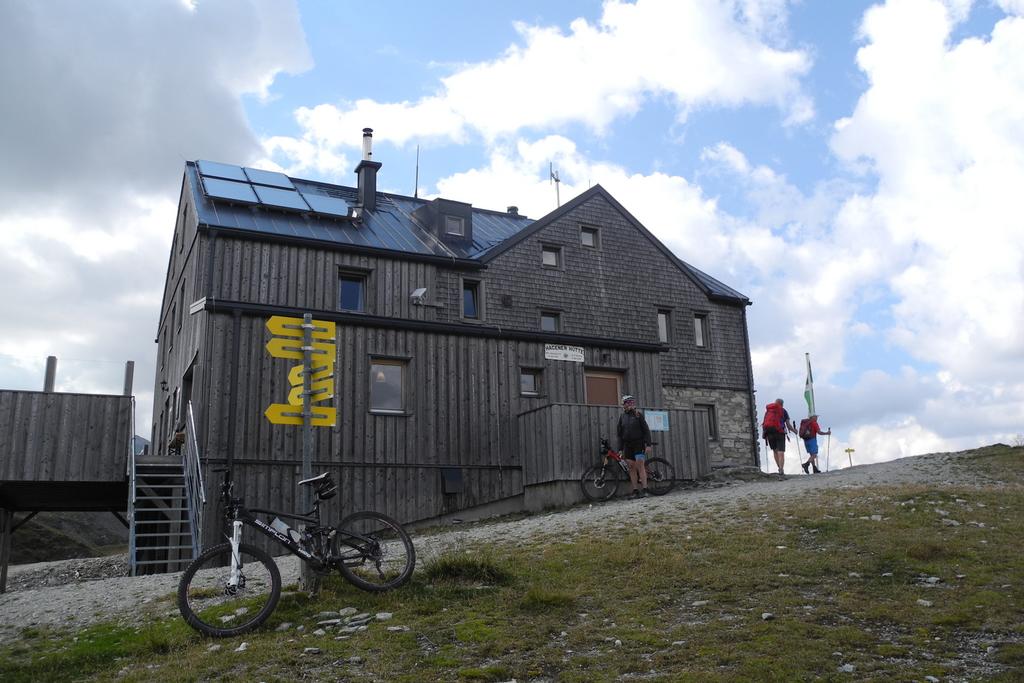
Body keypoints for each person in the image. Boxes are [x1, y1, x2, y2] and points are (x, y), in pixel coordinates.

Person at [616, 395, 653, 498]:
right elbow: (619, 434)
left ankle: (645, 490)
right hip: (628, 445)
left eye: (627, 403)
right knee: (631, 467)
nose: (625, 405)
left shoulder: (638, 415)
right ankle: (635, 491)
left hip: (638, 444)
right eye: (624, 404)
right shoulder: (622, 417)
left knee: (640, 465)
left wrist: (648, 444)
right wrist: (620, 448)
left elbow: (646, 430)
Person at [762, 398, 797, 476]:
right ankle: (781, 469)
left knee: (775, 451)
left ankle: (779, 468)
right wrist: (794, 431)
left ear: (775, 403)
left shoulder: (768, 411)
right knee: (781, 452)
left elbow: (765, 422)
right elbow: (788, 425)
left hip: (769, 433)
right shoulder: (783, 411)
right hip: (780, 432)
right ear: (782, 404)